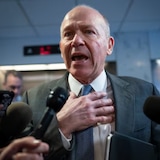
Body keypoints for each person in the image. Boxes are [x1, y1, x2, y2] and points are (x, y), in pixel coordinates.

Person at [21, 4, 160, 160]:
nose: (76, 41)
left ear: (109, 45)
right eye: (68, 34)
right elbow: (20, 154)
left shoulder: (144, 93)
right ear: (61, 48)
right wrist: (60, 126)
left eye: (89, 32)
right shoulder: (31, 99)